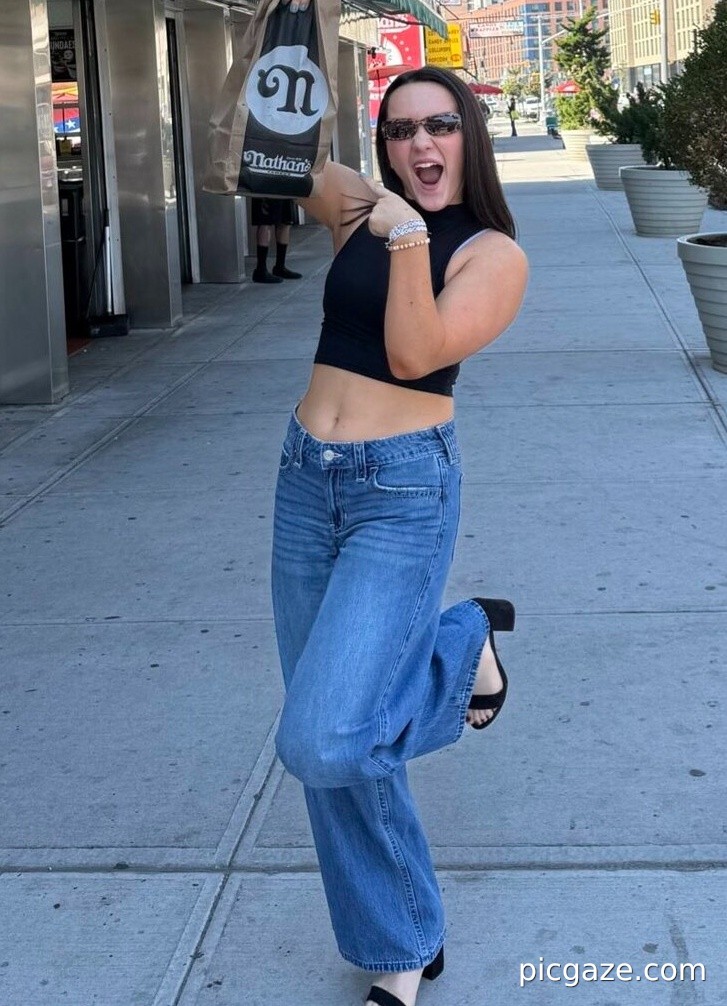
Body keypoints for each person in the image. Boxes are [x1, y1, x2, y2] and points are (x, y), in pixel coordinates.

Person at [269, 38, 528, 1006]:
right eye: (398, 130)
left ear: (469, 138)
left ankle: (461, 640)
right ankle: (400, 943)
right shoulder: (358, 208)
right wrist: (269, 50)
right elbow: (248, 154)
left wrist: (407, 235)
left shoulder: (491, 255)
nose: (418, 144)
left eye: (439, 125)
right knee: (341, 747)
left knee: (325, 736)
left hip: (401, 494)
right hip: (305, 481)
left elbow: (417, 354)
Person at [249, 196, 302, 283]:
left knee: (286, 221)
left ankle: (280, 266)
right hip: (265, 189)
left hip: (284, 189)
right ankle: (261, 269)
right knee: (265, 222)